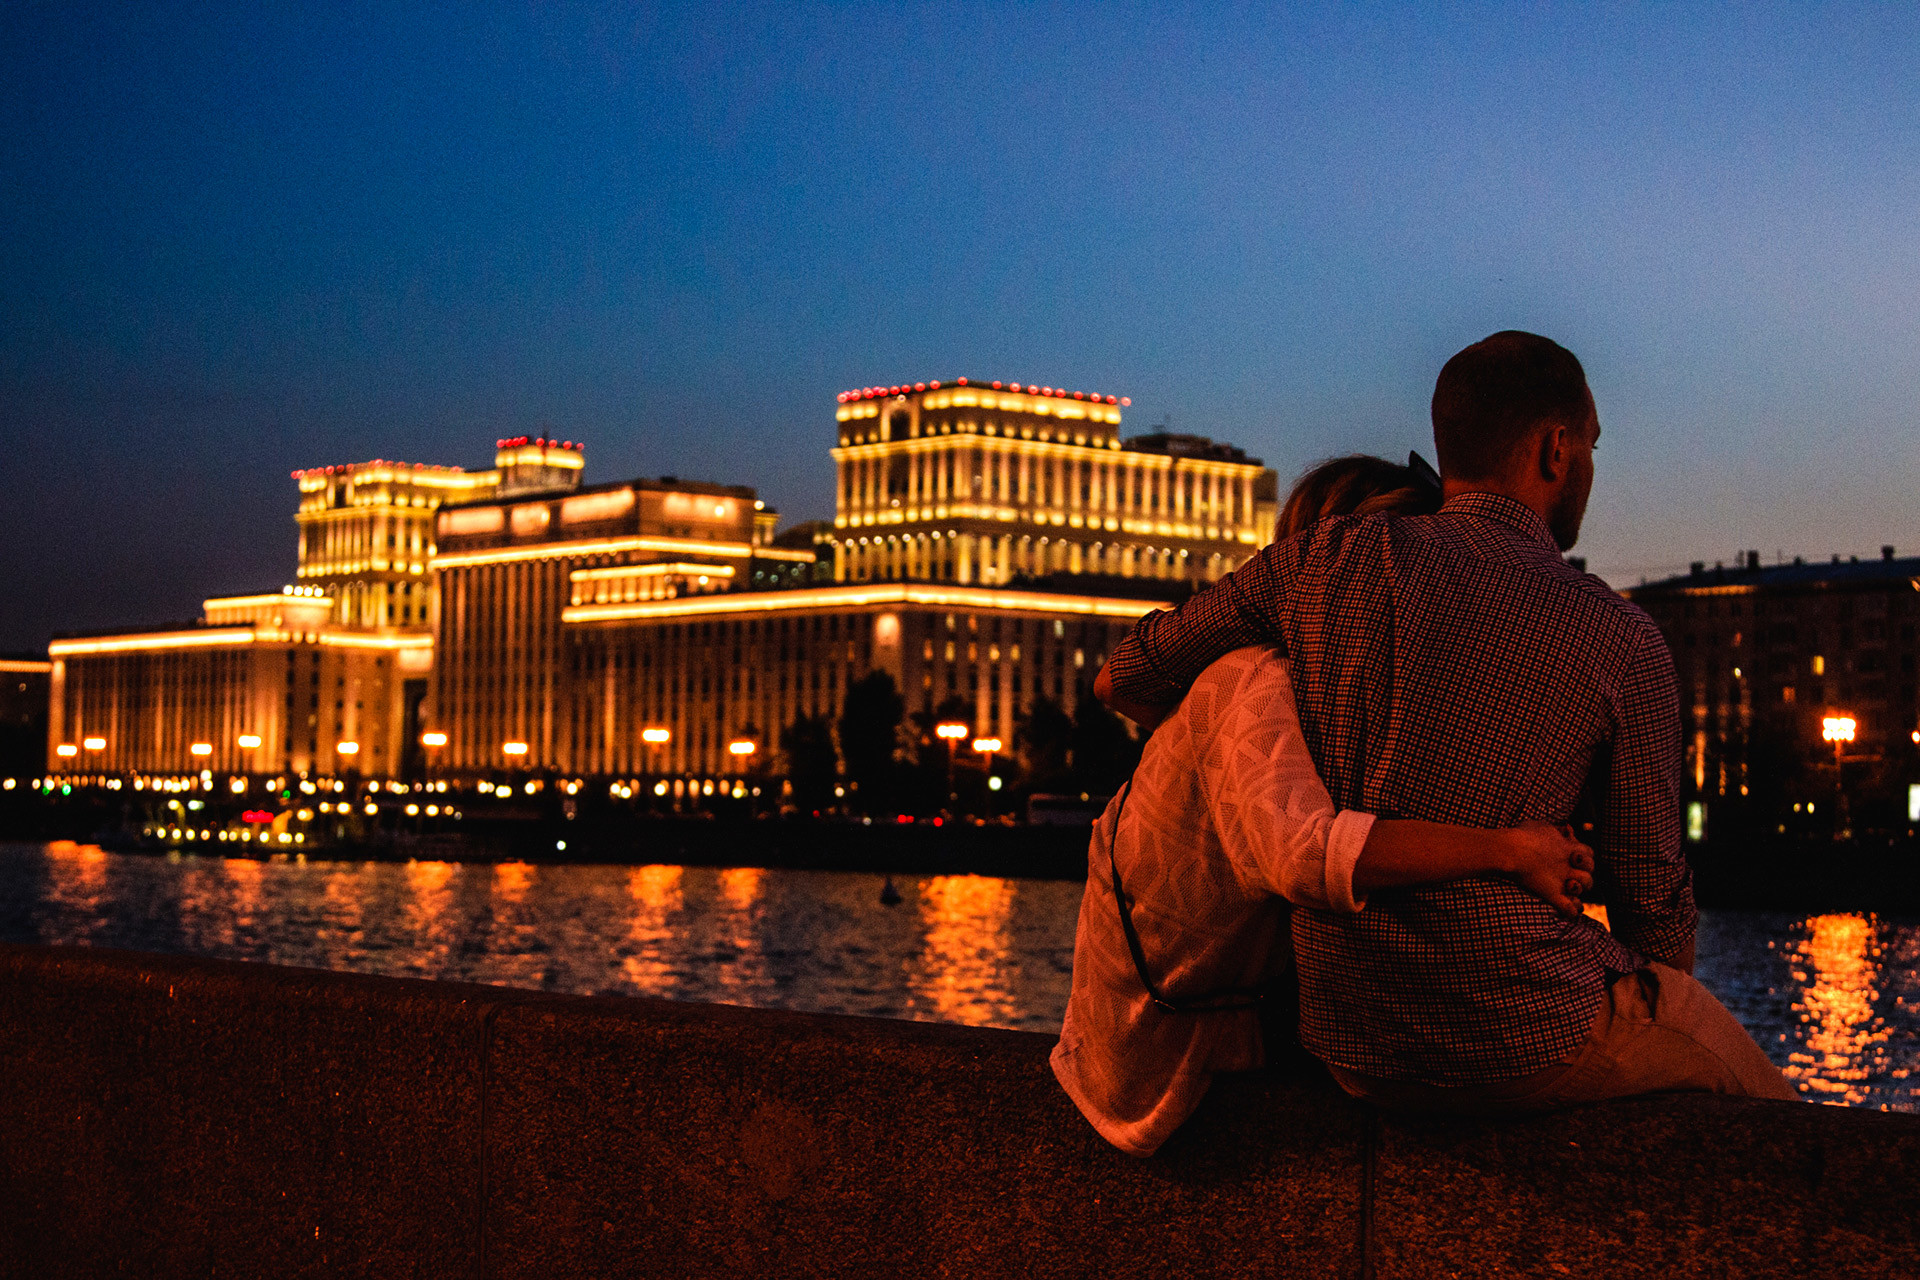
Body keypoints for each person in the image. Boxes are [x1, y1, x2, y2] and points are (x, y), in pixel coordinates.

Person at [1095, 331, 1793, 1113]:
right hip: (1521, 1035)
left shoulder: (1320, 560)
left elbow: (1126, 677)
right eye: (1593, 445)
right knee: (1773, 1115)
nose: (1590, 468)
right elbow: (1649, 899)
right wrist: (1657, 1002)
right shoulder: (1620, 636)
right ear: (1556, 450)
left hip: (1345, 1041)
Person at [1053, 455, 1598, 1156]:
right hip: (1157, 1066)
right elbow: (1309, 856)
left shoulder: (1291, 686)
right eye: (1404, 559)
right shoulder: (1255, 679)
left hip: (1183, 1024)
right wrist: (1510, 850)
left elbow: (1124, 689)